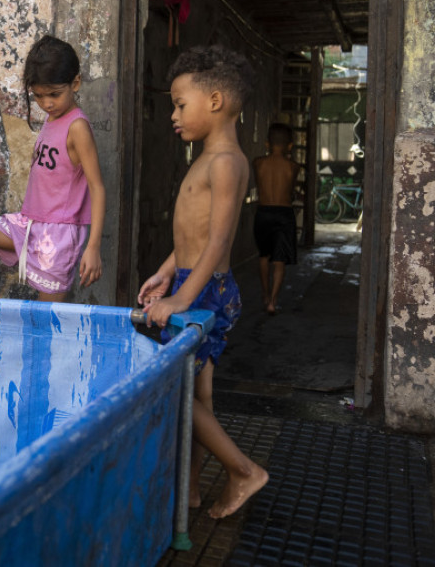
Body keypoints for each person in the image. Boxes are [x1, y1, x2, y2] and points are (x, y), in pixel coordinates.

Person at [137, 45, 269, 519]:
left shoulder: (227, 162)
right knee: (197, 398)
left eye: (179, 103)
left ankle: (243, 470)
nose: (173, 114)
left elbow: (217, 242)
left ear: (215, 101)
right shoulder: (205, 157)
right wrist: (167, 270)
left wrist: (179, 299)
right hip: (194, 280)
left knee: (177, 389)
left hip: (206, 288)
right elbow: (191, 236)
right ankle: (189, 490)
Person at [0, 35, 105, 301]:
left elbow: (97, 187)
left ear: (75, 83)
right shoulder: (53, 119)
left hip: (59, 234)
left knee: (44, 318)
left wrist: (93, 246)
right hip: (28, 222)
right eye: (38, 96)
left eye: (54, 94)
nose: (47, 103)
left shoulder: (77, 127)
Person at [252, 122, 301, 314]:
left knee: (264, 256)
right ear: (290, 146)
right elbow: (290, 191)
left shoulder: (258, 163)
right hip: (284, 214)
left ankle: (264, 295)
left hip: (263, 212)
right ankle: (273, 301)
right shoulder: (293, 167)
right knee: (279, 260)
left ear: (266, 144)